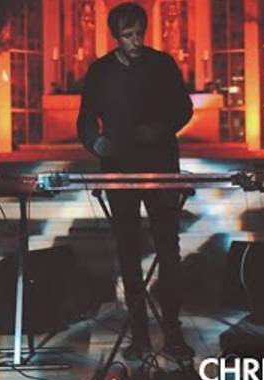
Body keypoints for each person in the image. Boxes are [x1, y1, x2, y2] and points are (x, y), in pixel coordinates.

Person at [76, 2, 194, 361]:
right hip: (119, 167)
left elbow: (184, 108)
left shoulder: (162, 64)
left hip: (160, 164)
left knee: (168, 248)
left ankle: (172, 332)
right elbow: (86, 119)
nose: (136, 41)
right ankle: (139, 334)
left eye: (140, 33)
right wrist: (95, 143)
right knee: (128, 249)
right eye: (128, 35)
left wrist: (160, 129)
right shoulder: (101, 71)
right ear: (116, 36)